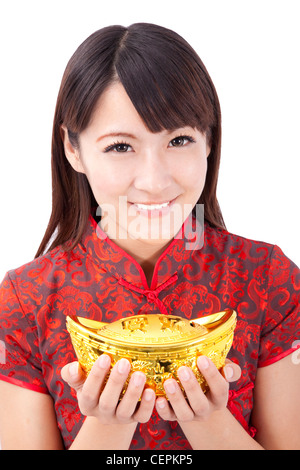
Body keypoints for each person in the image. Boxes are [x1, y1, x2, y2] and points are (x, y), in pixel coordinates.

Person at [0, 23, 299, 451]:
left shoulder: (271, 279)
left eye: (179, 139)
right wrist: (107, 427)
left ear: (209, 139)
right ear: (72, 148)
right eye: (121, 147)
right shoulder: (24, 300)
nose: (155, 182)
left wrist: (212, 421)